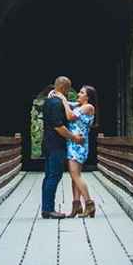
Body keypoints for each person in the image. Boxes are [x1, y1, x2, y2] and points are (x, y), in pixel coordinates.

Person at [41, 76, 84, 219]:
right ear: (64, 88)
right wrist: (74, 137)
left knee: (48, 176)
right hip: (56, 145)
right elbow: (59, 127)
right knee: (54, 175)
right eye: (68, 88)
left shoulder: (48, 101)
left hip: (47, 143)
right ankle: (48, 210)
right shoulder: (56, 103)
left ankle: (46, 208)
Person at [51, 85, 97, 218]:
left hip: (79, 144)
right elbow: (70, 105)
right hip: (74, 143)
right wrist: (58, 96)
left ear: (88, 97)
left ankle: (89, 203)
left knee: (75, 175)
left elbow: (70, 116)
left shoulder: (88, 107)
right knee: (74, 176)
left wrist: (63, 100)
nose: (78, 94)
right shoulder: (79, 105)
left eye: (81, 92)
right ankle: (76, 205)